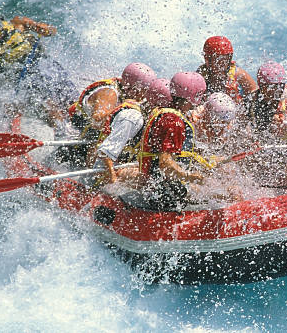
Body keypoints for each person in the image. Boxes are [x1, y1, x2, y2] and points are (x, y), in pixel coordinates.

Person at [0, 0, 77, 125]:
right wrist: (2, 103)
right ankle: (61, 131)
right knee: (46, 104)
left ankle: (81, 120)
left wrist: (43, 29)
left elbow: (52, 31)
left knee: (71, 100)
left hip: (44, 65)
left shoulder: (17, 23)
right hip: (22, 80)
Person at [120, 72, 210, 211]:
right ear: (194, 95)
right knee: (218, 195)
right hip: (163, 193)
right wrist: (189, 177)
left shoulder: (164, 113)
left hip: (153, 185)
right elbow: (165, 164)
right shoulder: (174, 122)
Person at [62, 62, 156, 167]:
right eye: (144, 91)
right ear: (133, 88)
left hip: (86, 140)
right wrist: (122, 112)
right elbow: (97, 119)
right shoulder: (109, 93)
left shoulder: (124, 89)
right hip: (73, 142)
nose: (144, 96)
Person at [242, 61, 287, 187]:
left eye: (280, 86)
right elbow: (241, 128)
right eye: (272, 87)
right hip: (268, 149)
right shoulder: (252, 102)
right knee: (250, 165)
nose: (276, 91)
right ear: (262, 86)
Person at [196, 36, 258, 103]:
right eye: (218, 59)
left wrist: (237, 99)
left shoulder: (238, 74)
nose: (221, 64)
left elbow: (255, 95)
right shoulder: (201, 75)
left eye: (225, 59)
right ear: (208, 59)